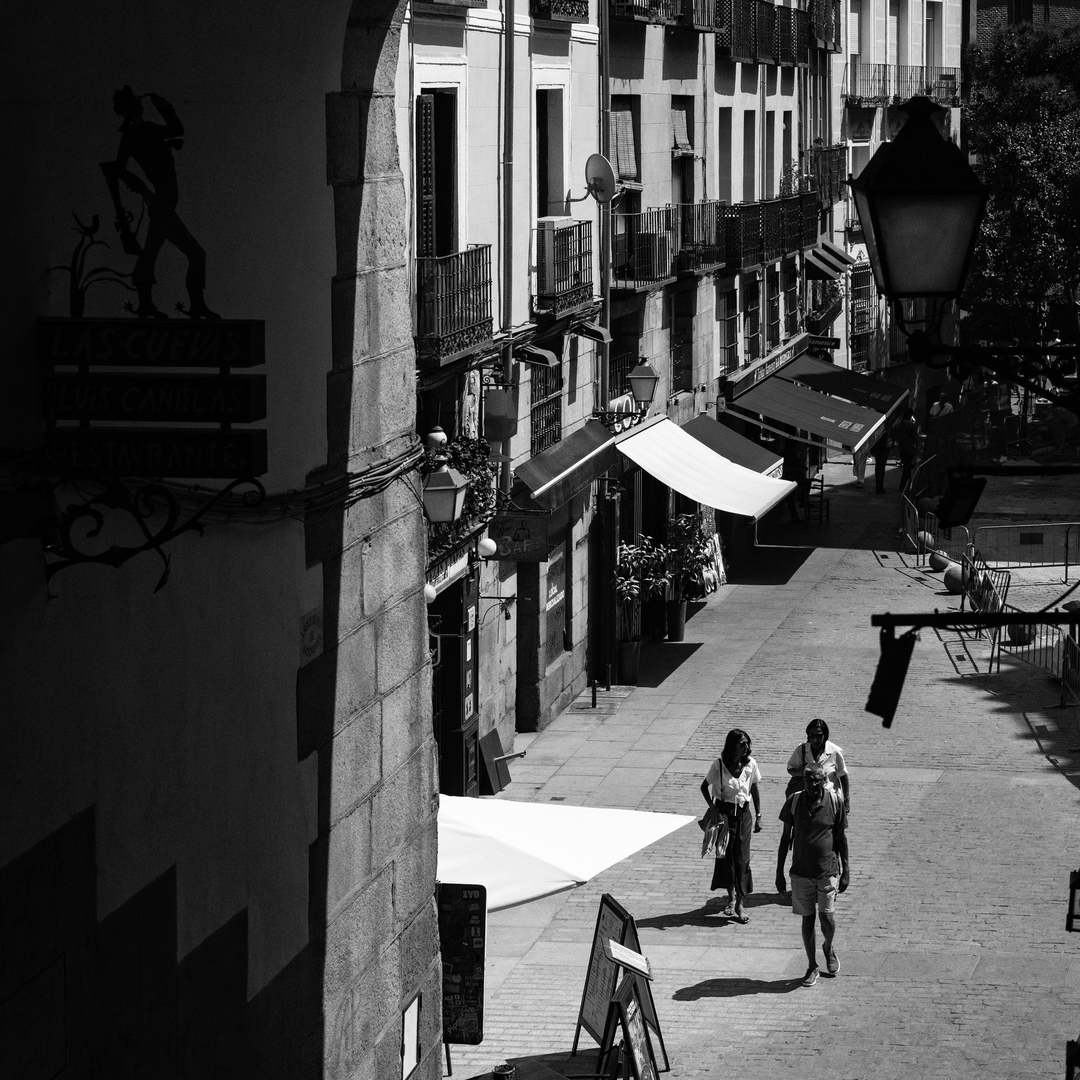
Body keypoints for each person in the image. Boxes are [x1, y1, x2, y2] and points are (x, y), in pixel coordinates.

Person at [102, 86, 219, 320]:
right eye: (137, 101)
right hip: (161, 201)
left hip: (163, 200)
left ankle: (146, 305)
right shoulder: (136, 134)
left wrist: (163, 111)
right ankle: (196, 305)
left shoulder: (147, 130)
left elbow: (176, 131)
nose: (141, 103)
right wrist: (143, 189)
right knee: (196, 254)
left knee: (150, 252)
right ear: (132, 107)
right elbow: (119, 169)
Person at [776, 762, 850, 988]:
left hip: (828, 871)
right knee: (807, 918)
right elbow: (785, 839)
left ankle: (828, 946)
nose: (811, 784)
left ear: (823, 779)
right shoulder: (794, 801)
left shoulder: (835, 802)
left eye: (816, 779)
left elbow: (841, 838)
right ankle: (811, 966)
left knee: (826, 916)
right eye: (808, 779)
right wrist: (779, 872)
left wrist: (846, 870)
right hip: (800, 872)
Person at [700, 728, 762, 924]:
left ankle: (741, 904)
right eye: (742, 744)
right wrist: (713, 808)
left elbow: (754, 788)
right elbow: (704, 787)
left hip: (743, 815)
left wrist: (759, 815)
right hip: (724, 817)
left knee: (742, 859)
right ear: (732, 745)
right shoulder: (719, 766)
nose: (746, 747)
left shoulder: (751, 764)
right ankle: (731, 897)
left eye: (747, 744)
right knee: (726, 858)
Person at [785, 718, 850, 813]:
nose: (815, 740)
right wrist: (801, 772)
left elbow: (843, 776)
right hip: (806, 801)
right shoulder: (801, 750)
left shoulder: (835, 751)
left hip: (829, 801)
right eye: (812, 736)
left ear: (825, 735)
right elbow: (791, 768)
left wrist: (846, 801)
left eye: (819, 736)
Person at [782, 440, 809, 522]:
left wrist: (801, 467)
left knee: (807, 483)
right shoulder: (787, 455)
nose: (798, 449)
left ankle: (803, 501)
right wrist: (798, 469)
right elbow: (785, 468)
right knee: (791, 499)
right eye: (797, 447)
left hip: (795, 478)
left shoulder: (794, 454)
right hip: (790, 479)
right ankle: (795, 516)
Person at [893, 411, 919, 493]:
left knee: (906, 466)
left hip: (901, 448)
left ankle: (905, 484)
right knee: (908, 467)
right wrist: (917, 448)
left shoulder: (899, 425)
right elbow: (916, 437)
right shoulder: (911, 425)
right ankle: (905, 485)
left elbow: (895, 435)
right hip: (909, 448)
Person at [872, 429, 890, 494]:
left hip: (877, 447)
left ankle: (878, 486)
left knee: (878, 466)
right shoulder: (886, 428)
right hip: (884, 448)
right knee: (881, 467)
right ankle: (880, 486)